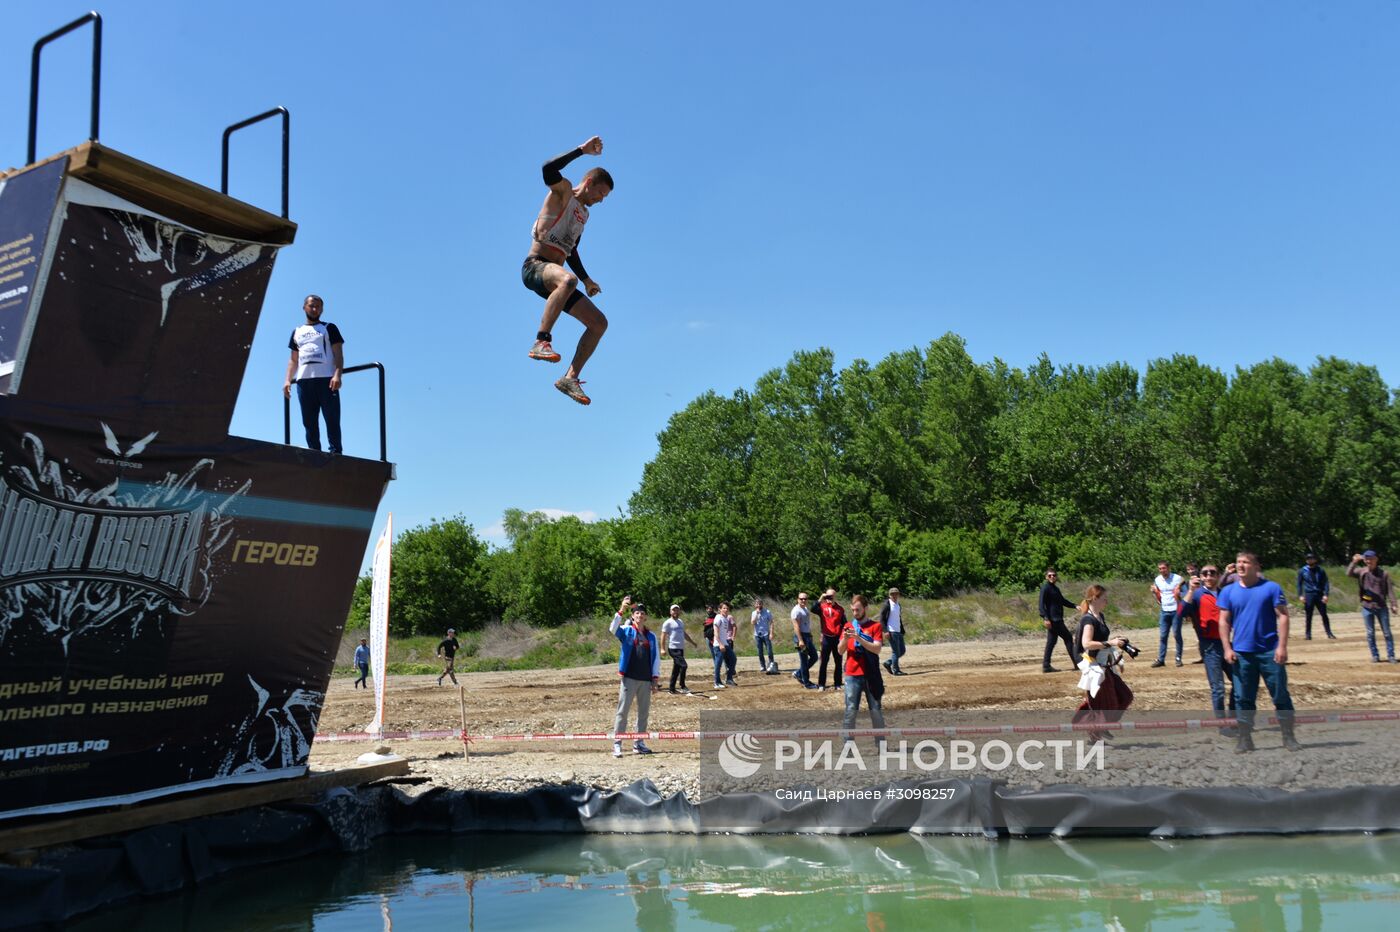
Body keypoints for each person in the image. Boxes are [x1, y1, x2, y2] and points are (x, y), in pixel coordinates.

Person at [522, 136, 614, 406]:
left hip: (559, 281)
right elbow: (547, 169)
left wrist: (586, 280)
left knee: (599, 323)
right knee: (567, 279)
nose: (600, 200)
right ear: (588, 184)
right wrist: (581, 151)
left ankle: (570, 378)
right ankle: (541, 341)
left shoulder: (583, 215)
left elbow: (570, 250)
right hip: (535, 267)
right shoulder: (561, 192)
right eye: (600, 194)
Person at [1218, 551, 1300, 753]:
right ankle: (1245, 739)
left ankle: (1288, 737)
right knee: (1243, 698)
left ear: (1256, 566)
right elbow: (1224, 621)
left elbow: (1283, 616)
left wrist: (1282, 646)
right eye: (1238, 562)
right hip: (1242, 654)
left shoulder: (1271, 588)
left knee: (1280, 694)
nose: (1241, 565)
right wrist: (1227, 648)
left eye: (1245, 562)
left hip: (1269, 653)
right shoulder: (1228, 591)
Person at [1072, 584, 1134, 743]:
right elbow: (1086, 644)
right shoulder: (1088, 619)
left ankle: (1097, 721)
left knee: (1125, 696)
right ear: (1095, 598)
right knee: (1111, 702)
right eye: (1104, 598)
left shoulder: (1100, 616)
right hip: (1093, 664)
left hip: (1105, 663)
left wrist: (1115, 652)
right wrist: (1111, 643)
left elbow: (1104, 641)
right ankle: (1094, 729)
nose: (1107, 601)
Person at [283, 294, 344, 454]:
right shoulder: (297, 331)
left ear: (322, 309)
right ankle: (314, 454)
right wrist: (287, 380)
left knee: (332, 419)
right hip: (304, 382)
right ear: (304, 307)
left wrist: (337, 374)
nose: (315, 309)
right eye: (311, 305)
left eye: (318, 306)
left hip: (326, 380)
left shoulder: (329, 327)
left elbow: (338, 353)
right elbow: (293, 360)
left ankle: (335, 453)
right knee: (309, 422)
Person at [1183, 565, 1235, 733]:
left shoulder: (1225, 593)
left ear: (1219, 576)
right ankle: (1222, 724)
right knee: (1218, 688)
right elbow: (1181, 612)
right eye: (1205, 573)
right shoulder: (1197, 595)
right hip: (1209, 645)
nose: (1208, 576)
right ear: (1201, 576)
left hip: (1228, 644)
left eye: (1212, 573)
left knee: (1239, 682)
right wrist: (1190, 591)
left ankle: (1234, 719)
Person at [609, 597, 660, 757]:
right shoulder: (626, 631)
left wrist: (655, 679)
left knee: (643, 713)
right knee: (622, 711)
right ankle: (617, 743)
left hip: (645, 679)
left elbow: (656, 657)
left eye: (642, 613)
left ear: (645, 617)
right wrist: (621, 610)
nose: (639, 615)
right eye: (636, 613)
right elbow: (612, 628)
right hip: (629, 677)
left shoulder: (651, 636)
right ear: (633, 616)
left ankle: (639, 743)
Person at [837, 594, 886, 747]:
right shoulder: (848, 626)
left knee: (876, 710)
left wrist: (859, 638)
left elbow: (877, 649)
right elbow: (840, 651)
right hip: (852, 674)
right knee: (850, 711)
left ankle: (881, 745)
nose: (855, 613)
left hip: (871, 674)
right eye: (853, 610)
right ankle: (848, 746)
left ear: (865, 608)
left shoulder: (875, 626)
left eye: (858, 610)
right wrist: (846, 638)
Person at [1348, 550, 1397, 663]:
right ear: (1365, 560)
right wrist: (1354, 562)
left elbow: (1390, 591)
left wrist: (1394, 605)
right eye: (1367, 559)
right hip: (1366, 606)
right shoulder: (1362, 572)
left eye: (1371, 559)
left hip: (1381, 606)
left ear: (1376, 559)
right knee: (1370, 633)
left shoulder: (1384, 574)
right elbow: (1349, 573)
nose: (1369, 561)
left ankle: (1391, 655)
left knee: (1387, 632)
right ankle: (1375, 655)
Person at [1038, 568, 1079, 673]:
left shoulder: (1055, 589)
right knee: (1068, 639)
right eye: (1050, 575)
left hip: (1056, 619)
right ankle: (1077, 663)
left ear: (1056, 577)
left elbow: (1062, 601)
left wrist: (1074, 606)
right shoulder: (1045, 588)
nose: (1052, 577)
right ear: (1046, 577)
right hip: (1054, 620)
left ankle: (1046, 666)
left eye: (1054, 575)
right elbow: (1041, 604)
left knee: (1051, 642)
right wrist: (1045, 618)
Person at [1150, 561, 1186, 668]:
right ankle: (1161, 659)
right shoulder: (1158, 579)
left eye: (1164, 568)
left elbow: (1184, 587)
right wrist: (1154, 594)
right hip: (1164, 610)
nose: (1162, 570)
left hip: (1176, 610)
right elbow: (1157, 593)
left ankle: (1178, 658)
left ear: (1168, 568)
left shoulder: (1176, 578)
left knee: (1176, 634)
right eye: (1160, 568)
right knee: (1163, 636)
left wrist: (1179, 589)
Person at [1296, 552, 1335, 640]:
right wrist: (1300, 595)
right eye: (1308, 559)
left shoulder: (1320, 570)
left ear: (1315, 560)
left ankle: (1329, 633)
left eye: (1312, 558)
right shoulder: (1302, 571)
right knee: (1309, 615)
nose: (1310, 560)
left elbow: (1326, 583)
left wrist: (1326, 594)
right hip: (1309, 594)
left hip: (1319, 594)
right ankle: (1308, 635)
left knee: (1324, 614)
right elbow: (1299, 584)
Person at [660, 604, 698, 694]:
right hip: (673, 649)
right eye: (674, 610)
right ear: (670, 612)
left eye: (677, 610)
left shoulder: (680, 622)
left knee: (676, 669)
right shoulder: (667, 623)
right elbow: (663, 636)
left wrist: (692, 642)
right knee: (684, 666)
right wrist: (662, 649)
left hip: (680, 649)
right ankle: (683, 686)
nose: (675, 612)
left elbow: (684, 634)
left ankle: (672, 689)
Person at [816, 589, 847, 692]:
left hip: (837, 638)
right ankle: (821, 684)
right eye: (827, 596)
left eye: (831, 596)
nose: (829, 598)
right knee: (824, 662)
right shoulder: (822, 607)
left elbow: (845, 623)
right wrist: (821, 598)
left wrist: (844, 636)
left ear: (835, 596)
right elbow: (813, 608)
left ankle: (837, 683)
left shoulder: (840, 609)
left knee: (838, 662)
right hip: (826, 638)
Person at [790, 591, 819, 689]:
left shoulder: (805, 608)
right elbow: (796, 626)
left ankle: (798, 673)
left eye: (805, 599)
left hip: (807, 636)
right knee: (804, 660)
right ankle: (807, 683)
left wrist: (809, 635)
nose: (803, 600)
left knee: (814, 657)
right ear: (797, 599)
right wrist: (800, 640)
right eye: (801, 599)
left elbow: (806, 623)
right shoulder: (796, 611)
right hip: (801, 637)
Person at [879, 587, 908, 675]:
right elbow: (882, 619)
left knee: (902, 651)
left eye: (896, 594)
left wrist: (902, 630)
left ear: (898, 595)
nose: (894, 596)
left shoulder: (898, 605)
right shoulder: (887, 605)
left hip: (898, 631)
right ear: (889, 595)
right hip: (891, 631)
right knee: (896, 651)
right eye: (892, 594)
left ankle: (888, 663)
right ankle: (896, 670)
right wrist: (885, 631)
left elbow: (898, 618)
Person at [713, 601, 738, 687]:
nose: (726, 610)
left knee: (733, 659)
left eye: (727, 608)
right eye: (724, 608)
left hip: (725, 643)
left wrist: (726, 642)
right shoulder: (718, 617)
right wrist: (720, 644)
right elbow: (715, 632)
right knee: (718, 663)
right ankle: (717, 682)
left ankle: (729, 679)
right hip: (718, 645)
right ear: (719, 609)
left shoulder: (726, 619)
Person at [751, 598, 775, 672]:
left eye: (760, 604)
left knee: (769, 651)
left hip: (766, 634)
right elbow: (752, 622)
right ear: (755, 605)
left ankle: (771, 665)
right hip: (757, 634)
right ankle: (762, 666)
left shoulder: (767, 612)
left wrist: (771, 633)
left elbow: (771, 622)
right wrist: (757, 614)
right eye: (757, 604)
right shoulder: (753, 613)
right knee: (760, 652)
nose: (759, 605)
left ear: (762, 604)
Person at [703, 606, 723, 690]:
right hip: (708, 637)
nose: (709, 610)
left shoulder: (716, 616)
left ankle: (718, 675)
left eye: (710, 608)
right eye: (707, 609)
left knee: (718, 657)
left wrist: (709, 623)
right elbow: (705, 627)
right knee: (714, 656)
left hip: (715, 639)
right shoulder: (706, 617)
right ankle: (717, 676)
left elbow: (715, 625)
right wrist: (705, 635)